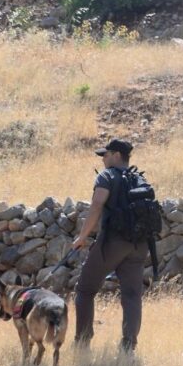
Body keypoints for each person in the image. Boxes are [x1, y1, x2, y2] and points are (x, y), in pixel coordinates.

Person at [72, 138, 149, 352]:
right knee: (132, 295)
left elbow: (97, 204)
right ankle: (128, 347)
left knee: (85, 290)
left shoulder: (106, 176)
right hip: (139, 244)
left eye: (105, 154)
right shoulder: (139, 179)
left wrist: (82, 237)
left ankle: (82, 343)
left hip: (113, 243)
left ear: (116, 155)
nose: (103, 159)